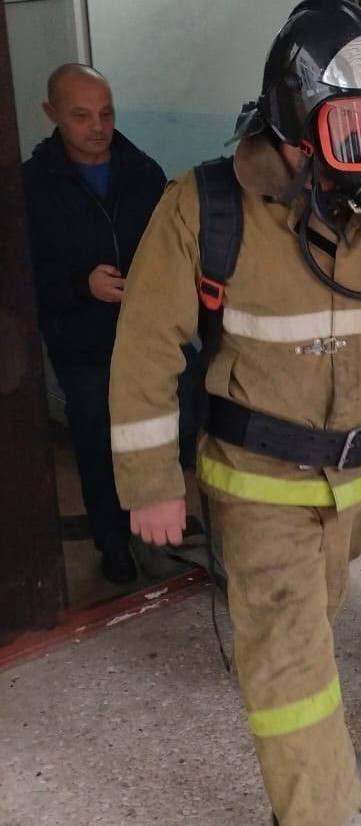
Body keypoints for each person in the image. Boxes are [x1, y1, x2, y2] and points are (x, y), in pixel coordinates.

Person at [108, 3, 361, 826]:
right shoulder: (205, 206)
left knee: (309, 646)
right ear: (301, 117)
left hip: (356, 492)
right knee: (290, 672)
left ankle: (311, 792)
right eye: (355, 122)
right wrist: (150, 482)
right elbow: (147, 346)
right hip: (258, 487)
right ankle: (319, 820)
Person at [20, 63, 183, 584]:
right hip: (82, 344)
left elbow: (174, 252)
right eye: (81, 115)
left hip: (148, 339)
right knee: (95, 442)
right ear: (51, 114)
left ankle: (159, 534)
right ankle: (112, 543)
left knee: (162, 432)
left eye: (106, 113)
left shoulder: (144, 173)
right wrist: (80, 285)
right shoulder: (31, 185)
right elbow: (23, 278)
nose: (98, 126)